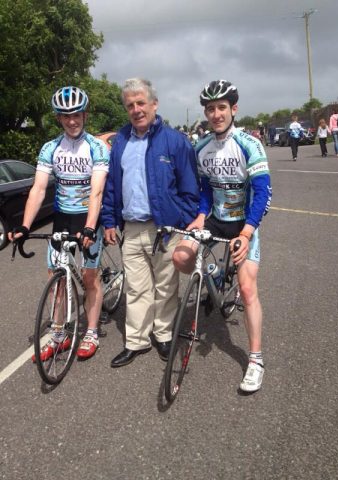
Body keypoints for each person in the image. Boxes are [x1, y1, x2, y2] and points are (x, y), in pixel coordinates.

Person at [172, 80, 272, 393]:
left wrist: (246, 231)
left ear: (233, 109)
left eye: (222, 108)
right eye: (211, 108)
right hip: (215, 220)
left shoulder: (249, 143)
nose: (216, 114)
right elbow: (204, 189)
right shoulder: (200, 146)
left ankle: (255, 359)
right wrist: (201, 216)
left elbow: (263, 192)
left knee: (246, 287)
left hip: (244, 222)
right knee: (180, 256)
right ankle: (214, 273)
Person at [101, 78, 199, 368]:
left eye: (141, 102)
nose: (136, 109)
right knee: (136, 287)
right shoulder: (120, 142)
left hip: (166, 229)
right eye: (130, 105)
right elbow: (111, 187)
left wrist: (178, 219)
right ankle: (136, 341)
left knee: (166, 287)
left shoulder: (175, 141)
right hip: (131, 228)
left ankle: (164, 335)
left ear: (154, 104)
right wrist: (109, 220)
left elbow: (190, 189)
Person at [9, 86, 110, 360]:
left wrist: (90, 227)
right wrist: (25, 226)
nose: (72, 121)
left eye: (76, 114)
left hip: (88, 218)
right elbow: (39, 189)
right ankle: (58, 334)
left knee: (90, 277)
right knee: (56, 278)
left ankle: (90, 331)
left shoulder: (97, 147)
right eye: (66, 116)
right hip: (62, 219)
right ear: (58, 119)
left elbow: (97, 191)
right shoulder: (50, 148)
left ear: (85, 114)